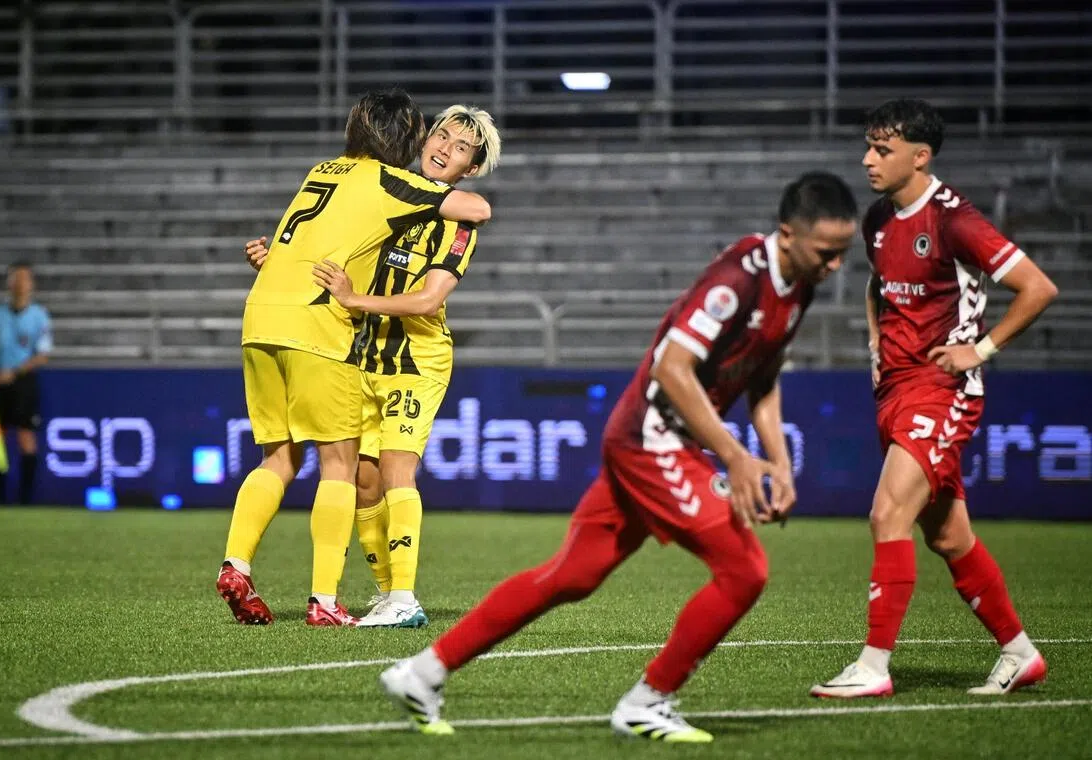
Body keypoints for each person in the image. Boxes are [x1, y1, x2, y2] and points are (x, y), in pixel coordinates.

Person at [378, 172, 859, 741]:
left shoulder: (798, 285)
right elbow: (671, 369)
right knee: (744, 570)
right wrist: (735, 456)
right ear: (788, 233)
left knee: (572, 575)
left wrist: (777, 462)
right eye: (826, 252)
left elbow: (765, 380)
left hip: (654, 441)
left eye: (843, 254)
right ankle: (649, 700)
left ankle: (422, 672)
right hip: (652, 438)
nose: (835, 267)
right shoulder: (737, 280)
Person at [810, 99, 1058, 699]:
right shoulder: (877, 219)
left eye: (883, 150)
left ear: (920, 158)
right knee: (949, 537)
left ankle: (873, 666)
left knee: (886, 513)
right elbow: (877, 282)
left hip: (942, 392)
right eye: (868, 146)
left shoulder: (955, 221)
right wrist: (875, 344)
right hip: (896, 389)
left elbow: (1038, 287)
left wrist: (982, 349)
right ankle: (1020, 654)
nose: (868, 159)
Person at [216, 88, 492, 627]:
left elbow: (431, 296)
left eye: (461, 147)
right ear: (418, 138)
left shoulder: (445, 215)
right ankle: (386, 593)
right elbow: (336, 249)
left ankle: (400, 597)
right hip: (354, 348)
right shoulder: (387, 192)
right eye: (439, 135)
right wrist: (282, 262)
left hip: (413, 354)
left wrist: (350, 298)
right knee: (360, 477)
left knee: (392, 470)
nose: (443, 148)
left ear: (472, 166)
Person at [0, 262, 52, 505]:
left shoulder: (39, 316)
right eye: (15, 278)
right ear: (9, 283)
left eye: (24, 278)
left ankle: (25, 499)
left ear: (31, 284)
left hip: (23, 381)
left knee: (26, 437)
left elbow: (42, 355)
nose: (20, 283)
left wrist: (15, 372)